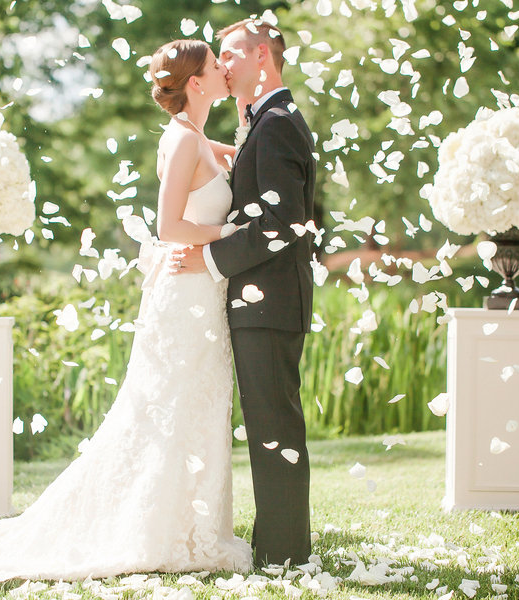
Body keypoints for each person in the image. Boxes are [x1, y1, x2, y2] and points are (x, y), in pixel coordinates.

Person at [0, 39, 252, 581]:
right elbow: (170, 228)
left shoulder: (197, 137)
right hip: (184, 299)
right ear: (196, 84)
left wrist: (251, 124)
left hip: (199, 294)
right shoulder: (181, 142)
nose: (225, 70)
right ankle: (163, 530)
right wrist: (231, 233)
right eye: (215, 65)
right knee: (169, 408)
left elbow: (240, 152)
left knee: (194, 407)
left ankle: (191, 525)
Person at [172, 18, 317, 568]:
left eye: (230, 55)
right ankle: (281, 545)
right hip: (265, 300)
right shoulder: (267, 120)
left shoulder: (277, 122)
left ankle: (283, 553)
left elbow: (281, 222)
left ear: (263, 56)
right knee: (269, 427)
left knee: (274, 427)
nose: (223, 66)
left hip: (271, 302)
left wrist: (208, 258)